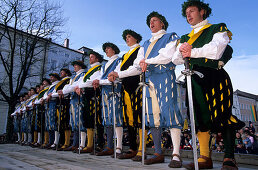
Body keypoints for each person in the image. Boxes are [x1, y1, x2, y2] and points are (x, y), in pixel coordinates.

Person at [173, 0, 245, 169]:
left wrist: (191, 52)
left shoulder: (217, 29)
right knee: (199, 118)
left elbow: (216, 50)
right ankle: (205, 157)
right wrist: (184, 51)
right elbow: (176, 59)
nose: (188, 15)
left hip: (215, 77)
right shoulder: (185, 38)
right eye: (186, 13)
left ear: (202, 11)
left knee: (223, 115)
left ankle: (229, 158)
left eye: (191, 11)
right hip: (193, 79)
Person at [138, 11, 183, 167]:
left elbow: (167, 56)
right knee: (152, 115)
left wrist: (146, 62)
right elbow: (138, 62)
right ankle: (158, 152)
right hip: (148, 79)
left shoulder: (170, 36)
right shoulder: (144, 43)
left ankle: (176, 154)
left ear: (162, 23)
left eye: (155, 20)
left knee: (169, 111)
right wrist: (142, 63)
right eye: (150, 21)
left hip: (164, 75)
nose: (151, 23)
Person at [108, 29, 145, 160]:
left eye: (129, 36)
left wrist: (118, 74)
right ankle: (133, 148)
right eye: (126, 37)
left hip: (136, 86)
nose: (127, 39)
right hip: (125, 87)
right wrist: (113, 75)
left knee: (138, 116)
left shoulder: (140, 49)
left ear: (136, 38)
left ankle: (141, 148)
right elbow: (118, 71)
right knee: (128, 118)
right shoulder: (124, 56)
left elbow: (137, 68)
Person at [92, 42, 123, 156]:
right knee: (107, 119)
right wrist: (97, 82)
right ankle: (109, 146)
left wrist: (100, 81)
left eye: (108, 48)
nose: (106, 50)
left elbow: (115, 78)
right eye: (105, 49)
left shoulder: (118, 61)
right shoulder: (104, 65)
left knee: (116, 118)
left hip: (114, 91)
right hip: (104, 92)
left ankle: (118, 147)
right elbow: (102, 78)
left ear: (114, 50)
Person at [75, 50, 104, 153]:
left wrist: (80, 86)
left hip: (94, 93)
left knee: (97, 119)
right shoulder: (89, 70)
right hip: (87, 94)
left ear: (97, 58)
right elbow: (82, 82)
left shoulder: (100, 68)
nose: (89, 59)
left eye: (92, 57)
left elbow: (92, 81)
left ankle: (100, 143)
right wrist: (80, 87)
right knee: (87, 119)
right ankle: (89, 144)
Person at [58, 60, 87, 151]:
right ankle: (75, 143)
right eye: (74, 65)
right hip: (73, 100)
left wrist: (69, 89)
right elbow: (68, 88)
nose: (74, 67)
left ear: (80, 66)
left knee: (80, 121)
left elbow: (76, 86)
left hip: (79, 99)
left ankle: (81, 144)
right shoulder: (73, 78)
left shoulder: (83, 75)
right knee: (74, 122)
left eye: (76, 65)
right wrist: (67, 89)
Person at [49, 69, 72, 150]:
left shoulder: (68, 80)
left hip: (65, 101)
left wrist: (55, 94)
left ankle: (66, 142)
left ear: (67, 73)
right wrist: (54, 94)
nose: (61, 73)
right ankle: (59, 142)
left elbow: (64, 91)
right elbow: (56, 92)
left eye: (62, 72)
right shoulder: (61, 82)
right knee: (59, 123)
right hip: (59, 102)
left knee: (65, 122)